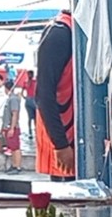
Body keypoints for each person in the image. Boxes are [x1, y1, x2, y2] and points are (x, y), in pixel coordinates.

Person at [35, 11, 76, 180]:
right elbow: (43, 94)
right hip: (63, 138)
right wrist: (61, 144)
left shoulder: (82, 30)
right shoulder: (60, 32)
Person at [0, 79, 23, 174]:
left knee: (15, 147)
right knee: (12, 147)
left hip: (12, 126)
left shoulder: (13, 99)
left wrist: (12, 128)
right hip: (7, 126)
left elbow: (15, 113)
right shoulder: (9, 98)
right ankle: (13, 165)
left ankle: (17, 166)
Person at [19, 69, 38, 137]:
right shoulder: (35, 82)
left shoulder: (26, 82)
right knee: (35, 117)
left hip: (28, 99)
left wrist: (25, 97)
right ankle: (35, 131)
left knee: (30, 118)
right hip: (33, 100)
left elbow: (21, 92)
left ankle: (30, 131)